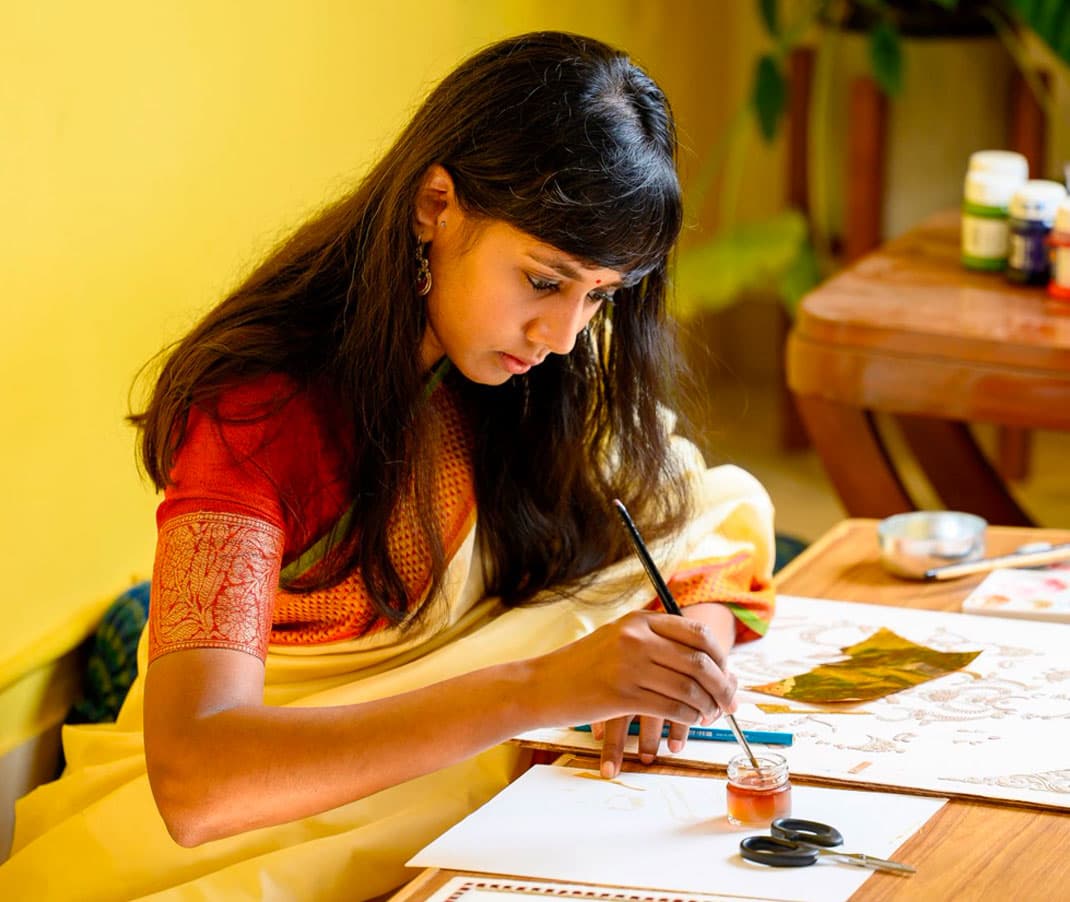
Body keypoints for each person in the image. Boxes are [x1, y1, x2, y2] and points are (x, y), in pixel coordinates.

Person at [0, 30, 775, 900]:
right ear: (434, 206)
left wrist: (680, 659)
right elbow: (196, 779)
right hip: (232, 857)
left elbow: (697, 513)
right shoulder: (256, 416)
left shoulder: (530, 364)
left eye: (602, 295)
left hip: (473, 813)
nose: (563, 336)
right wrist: (541, 688)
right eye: (546, 280)